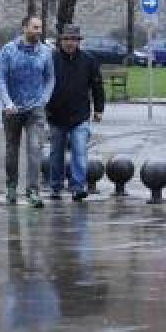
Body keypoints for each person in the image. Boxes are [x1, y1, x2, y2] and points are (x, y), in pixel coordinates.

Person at [0, 15, 55, 208]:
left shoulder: (45, 52)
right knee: (12, 150)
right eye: (34, 27)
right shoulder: (8, 50)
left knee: (35, 149)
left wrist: (44, 99)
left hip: (35, 108)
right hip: (12, 109)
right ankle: (11, 186)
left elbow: (50, 79)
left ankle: (33, 191)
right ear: (24, 28)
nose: (38, 31)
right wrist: (7, 102)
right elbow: (0, 79)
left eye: (40, 28)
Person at [46, 24, 105, 202]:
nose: (70, 43)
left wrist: (99, 109)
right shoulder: (51, 59)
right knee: (56, 154)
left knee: (79, 152)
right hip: (56, 115)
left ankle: (78, 187)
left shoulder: (89, 60)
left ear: (79, 41)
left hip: (80, 115)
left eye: (74, 39)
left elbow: (97, 85)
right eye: (66, 39)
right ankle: (56, 186)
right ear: (60, 41)